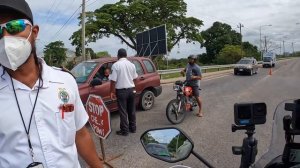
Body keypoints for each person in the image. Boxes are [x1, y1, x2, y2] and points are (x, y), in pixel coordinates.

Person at [0, 1, 103, 167]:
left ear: (34, 32)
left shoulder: (65, 81)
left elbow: (80, 134)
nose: (5, 38)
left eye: (14, 27)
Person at [109, 48, 138, 136]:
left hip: (121, 92)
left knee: (123, 111)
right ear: (126, 55)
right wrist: (134, 89)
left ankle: (125, 131)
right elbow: (135, 78)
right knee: (132, 110)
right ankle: (133, 128)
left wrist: (112, 92)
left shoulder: (116, 65)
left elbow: (113, 81)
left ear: (118, 56)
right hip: (131, 90)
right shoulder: (132, 65)